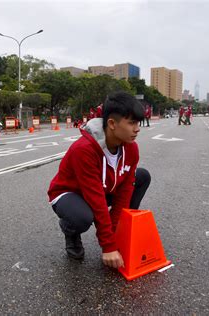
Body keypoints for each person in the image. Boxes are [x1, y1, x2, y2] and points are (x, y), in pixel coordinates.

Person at [47, 92, 150, 267]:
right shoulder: (84, 150)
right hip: (70, 193)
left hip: (103, 188)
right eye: (131, 123)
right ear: (111, 123)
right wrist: (108, 246)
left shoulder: (131, 149)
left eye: (138, 123)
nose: (137, 128)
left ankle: (121, 230)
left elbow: (125, 192)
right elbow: (95, 198)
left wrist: (115, 231)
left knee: (142, 176)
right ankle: (70, 230)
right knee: (83, 217)